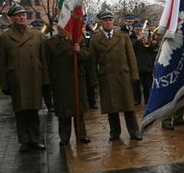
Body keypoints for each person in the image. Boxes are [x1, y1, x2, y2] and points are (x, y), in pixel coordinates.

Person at [0, 4, 49, 152]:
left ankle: (35, 139)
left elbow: (43, 59)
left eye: (24, 15)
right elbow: (2, 62)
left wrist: (45, 80)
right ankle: (24, 141)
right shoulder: (5, 37)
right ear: (12, 18)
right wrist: (4, 84)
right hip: (17, 79)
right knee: (20, 112)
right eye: (18, 15)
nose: (21, 17)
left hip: (34, 77)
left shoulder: (37, 35)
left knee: (34, 110)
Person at [90, 10, 142, 141]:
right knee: (111, 108)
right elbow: (92, 62)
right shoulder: (95, 39)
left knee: (128, 107)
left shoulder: (123, 36)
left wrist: (134, 75)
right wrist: (94, 80)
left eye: (110, 20)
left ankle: (134, 131)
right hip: (106, 77)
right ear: (101, 22)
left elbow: (131, 57)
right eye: (105, 20)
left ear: (113, 21)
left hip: (123, 76)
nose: (108, 22)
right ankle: (114, 132)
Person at [45, 28, 91, 146]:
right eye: (60, 26)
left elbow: (88, 56)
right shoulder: (50, 43)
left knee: (78, 110)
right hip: (60, 81)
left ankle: (82, 134)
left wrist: (79, 51)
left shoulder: (78, 39)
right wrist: (49, 82)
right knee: (63, 111)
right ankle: (64, 137)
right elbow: (47, 64)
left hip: (77, 79)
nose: (63, 29)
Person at [130, 21, 157, 106]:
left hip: (147, 65)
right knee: (136, 85)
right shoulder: (131, 37)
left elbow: (153, 47)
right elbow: (130, 47)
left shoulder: (147, 37)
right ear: (134, 30)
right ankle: (137, 100)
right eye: (137, 29)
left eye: (140, 29)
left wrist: (148, 42)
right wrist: (138, 40)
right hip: (136, 64)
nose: (139, 31)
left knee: (147, 85)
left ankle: (148, 100)